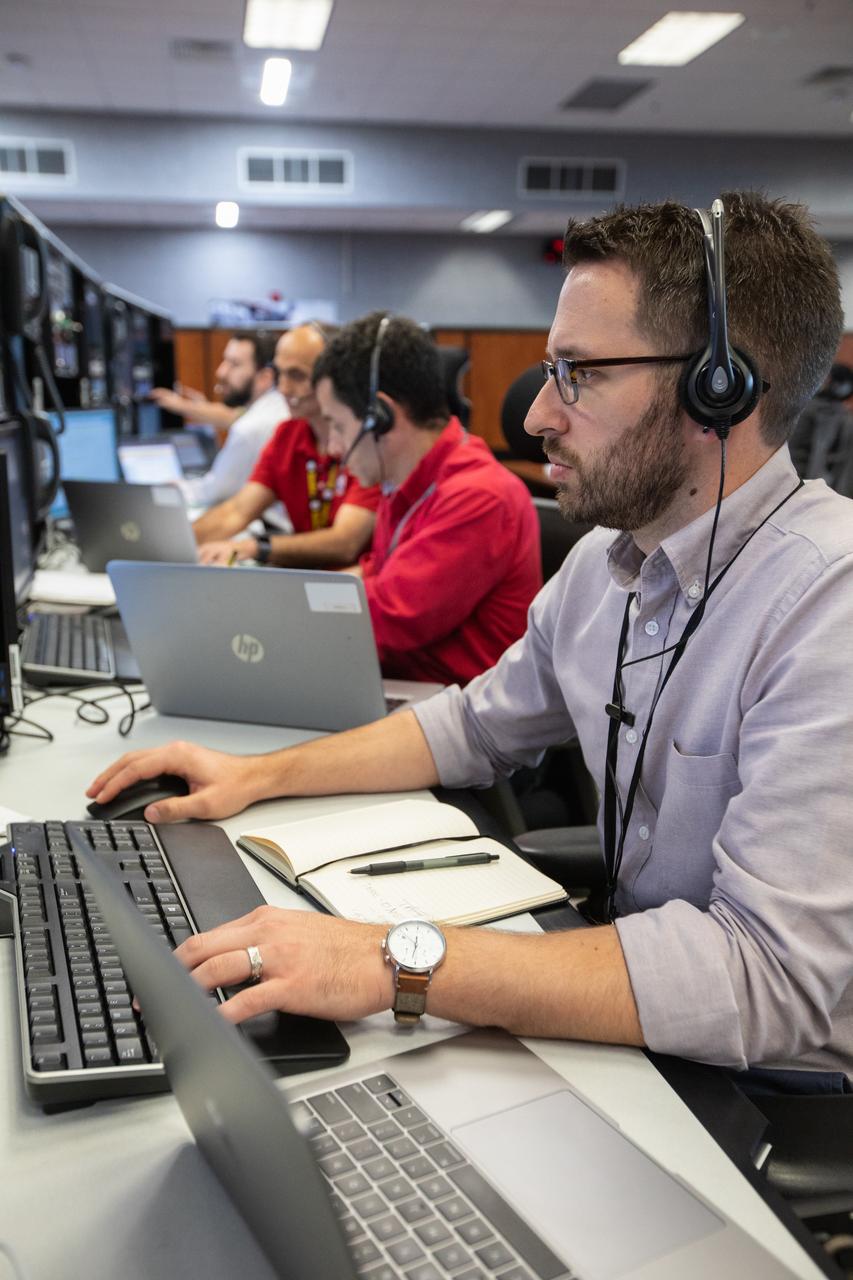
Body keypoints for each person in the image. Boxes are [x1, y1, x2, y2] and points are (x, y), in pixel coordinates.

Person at [89, 192, 853, 1082]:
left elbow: (764, 980)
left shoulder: (824, 603)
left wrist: (387, 959)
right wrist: (256, 778)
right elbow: (471, 727)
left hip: (768, 1086)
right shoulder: (612, 565)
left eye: (580, 373)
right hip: (642, 1022)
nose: (534, 417)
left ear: (718, 389)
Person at [311, 312, 542, 684]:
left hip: (466, 717)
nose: (333, 447)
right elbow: (377, 573)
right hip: (414, 693)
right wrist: (293, 592)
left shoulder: (481, 495)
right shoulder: (402, 481)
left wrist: (294, 611)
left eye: (337, 426)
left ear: (380, 416)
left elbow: (390, 618)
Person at [193, 323, 380, 568]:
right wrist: (171, 548)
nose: (283, 388)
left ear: (336, 379)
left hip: (354, 590)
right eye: (280, 374)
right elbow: (237, 511)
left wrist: (258, 547)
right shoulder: (288, 435)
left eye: (297, 375)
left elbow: (345, 542)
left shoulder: (367, 442)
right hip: (307, 583)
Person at [155, 331, 290, 516]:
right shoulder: (275, 407)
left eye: (234, 364)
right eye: (224, 361)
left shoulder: (252, 427)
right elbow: (231, 416)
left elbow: (214, 493)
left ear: (264, 378)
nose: (221, 371)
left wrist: (169, 488)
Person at [788, 362, 853, 499]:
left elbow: (821, 456)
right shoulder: (806, 408)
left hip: (807, 489)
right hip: (796, 482)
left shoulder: (836, 417)